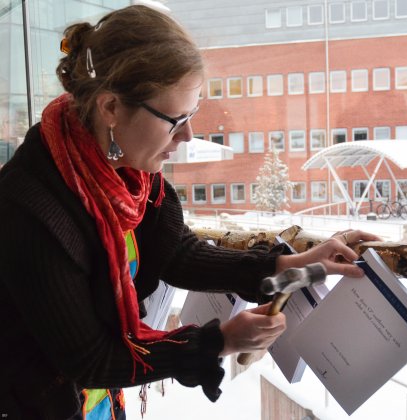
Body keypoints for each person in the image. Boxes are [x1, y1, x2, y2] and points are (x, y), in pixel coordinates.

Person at [0, 5, 380, 419]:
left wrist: (296, 264)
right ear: (110, 108)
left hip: (101, 402)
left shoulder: (126, 171)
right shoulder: (29, 208)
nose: (188, 135)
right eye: (175, 119)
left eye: (193, 114)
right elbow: (89, 359)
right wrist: (218, 342)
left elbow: (175, 254)